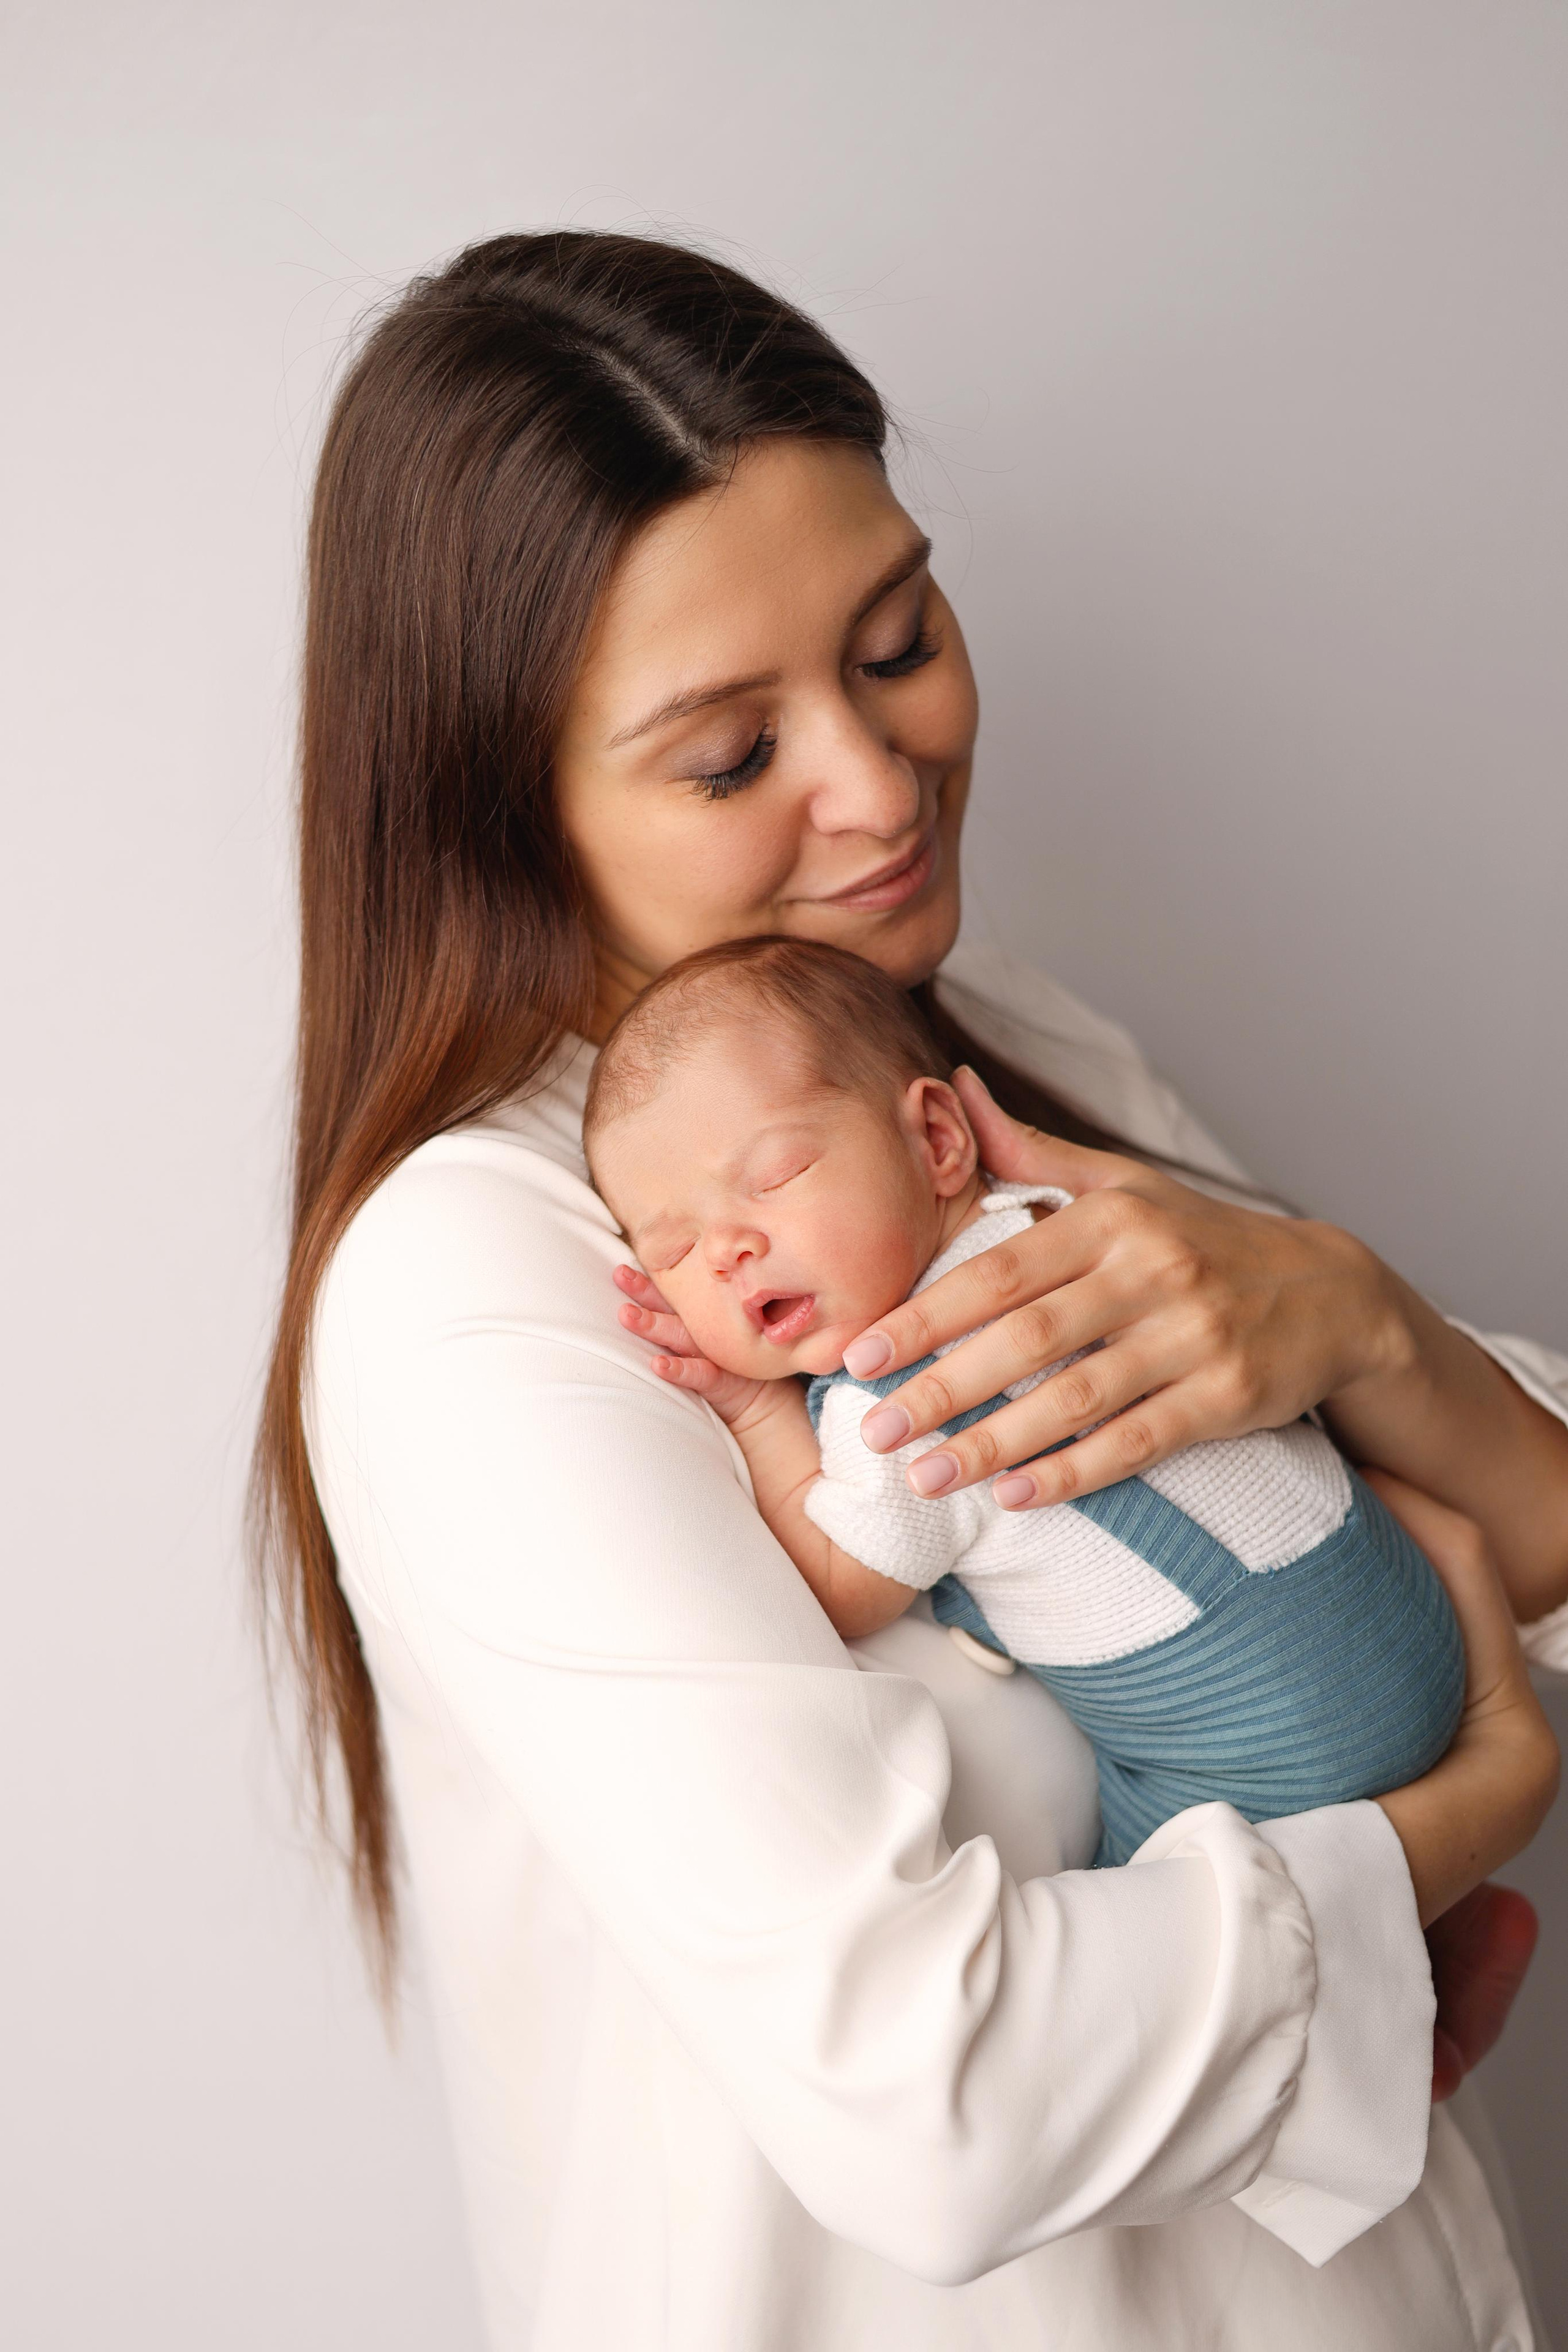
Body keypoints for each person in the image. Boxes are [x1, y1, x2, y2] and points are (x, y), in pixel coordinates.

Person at [253, 229, 1568, 2350]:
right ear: (502, 807)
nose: (880, 788)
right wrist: (1462, 1819)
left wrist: (1364, 1322)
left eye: (896, 638)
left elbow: (1500, 1524)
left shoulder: (995, 1050)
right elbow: (938, 2100)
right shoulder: (482, 1293)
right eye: (724, 754)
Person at [581, 933, 1469, 1869]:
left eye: (774, 1179)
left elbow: (847, 1592)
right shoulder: (1087, 1230)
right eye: (675, 1251)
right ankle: (1441, 1962)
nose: (727, 1251)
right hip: (1407, 1608)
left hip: (1256, 1738)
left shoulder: (896, 1394)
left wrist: (756, 1411)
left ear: (936, 1139)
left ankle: (1404, 1993)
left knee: (1139, 1893)